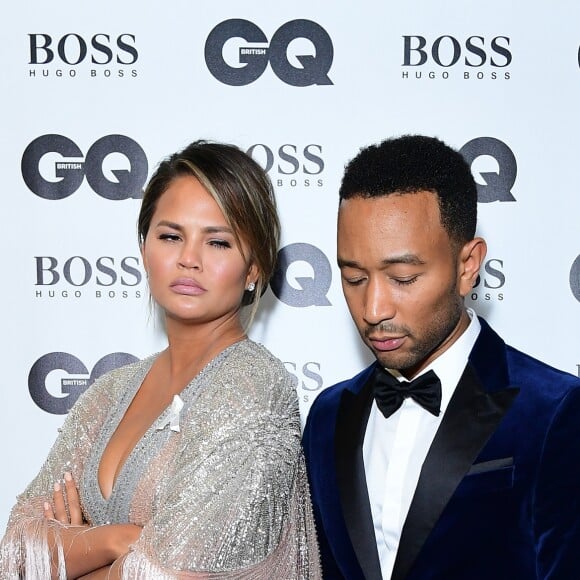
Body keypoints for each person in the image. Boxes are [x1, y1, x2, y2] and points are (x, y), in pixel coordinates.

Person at [1, 140, 321, 579]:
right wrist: (121, 539)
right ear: (144, 247)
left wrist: (74, 553)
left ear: (254, 269)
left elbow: (170, 575)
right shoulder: (111, 391)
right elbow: (16, 554)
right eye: (171, 236)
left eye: (219, 243)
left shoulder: (252, 387)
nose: (188, 259)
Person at [302, 134, 580, 579]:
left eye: (403, 278)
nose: (374, 310)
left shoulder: (557, 412)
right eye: (354, 278)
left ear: (468, 265)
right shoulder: (327, 416)